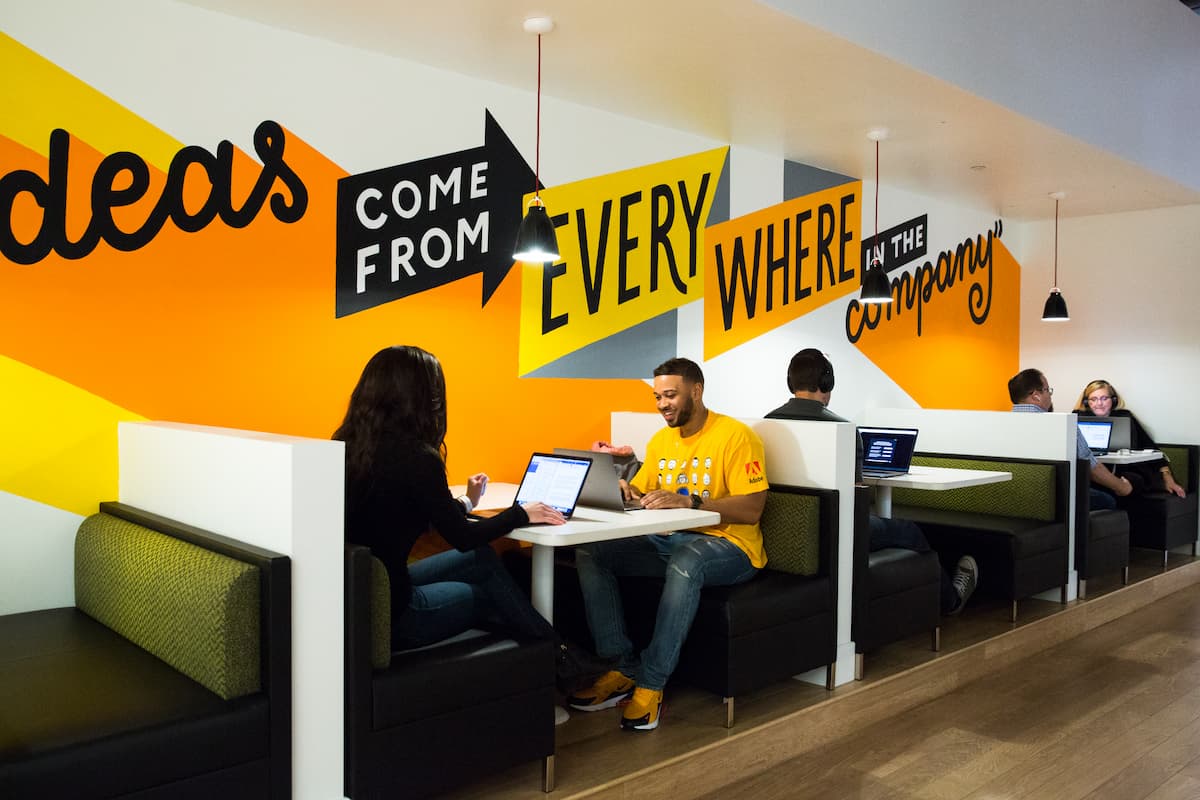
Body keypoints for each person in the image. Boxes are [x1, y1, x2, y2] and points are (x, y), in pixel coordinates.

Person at [334, 345, 607, 686]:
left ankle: (559, 657)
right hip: (398, 614)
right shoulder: (418, 457)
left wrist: (466, 502)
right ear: (423, 395)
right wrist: (520, 514)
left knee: (481, 558)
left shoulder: (346, 445)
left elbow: (408, 514)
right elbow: (461, 537)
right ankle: (557, 663)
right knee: (487, 594)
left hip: (366, 595)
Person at [566, 358, 767, 731]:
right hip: (671, 543)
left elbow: (753, 509)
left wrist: (690, 502)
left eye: (670, 395)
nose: (662, 404)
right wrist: (628, 489)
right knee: (593, 552)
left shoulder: (737, 436)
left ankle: (650, 683)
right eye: (657, 396)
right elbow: (645, 488)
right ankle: (621, 666)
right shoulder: (661, 440)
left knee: (688, 559)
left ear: (697, 391)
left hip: (732, 547)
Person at [766, 348, 980, 616]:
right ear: (827, 383)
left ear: (791, 381)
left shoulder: (769, 423)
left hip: (785, 530)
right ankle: (950, 600)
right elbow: (857, 500)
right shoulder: (842, 429)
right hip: (838, 530)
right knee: (909, 530)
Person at [1008, 368, 1132, 510]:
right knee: (1108, 500)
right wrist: (1121, 487)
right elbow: (1091, 467)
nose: (1050, 395)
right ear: (1036, 396)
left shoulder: (1000, 423)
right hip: (1053, 496)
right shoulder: (1063, 424)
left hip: (1013, 493)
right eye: (1048, 390)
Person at [1074, 379, 1186, 498]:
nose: (1099, 403)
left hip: (1122, 471)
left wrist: (1168, 478)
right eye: (1094, 399)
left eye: (1104, 398)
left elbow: (1152, 448)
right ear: (1086, 402)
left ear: (1114, 400)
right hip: (1092, 472)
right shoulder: (1076, 417)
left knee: (1135, 480)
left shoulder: (1125, 417)